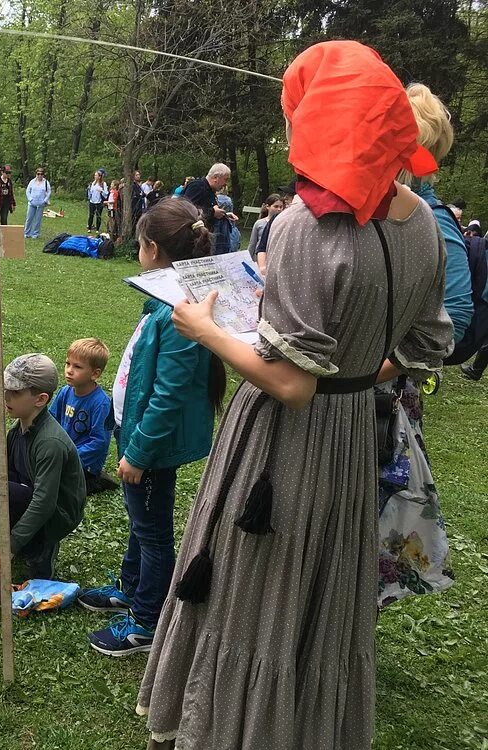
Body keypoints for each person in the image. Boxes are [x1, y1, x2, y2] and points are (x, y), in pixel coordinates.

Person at [136, 41, 453, 749]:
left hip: (285, 444)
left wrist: (204, 327)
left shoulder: (307, 225)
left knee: (257, 592)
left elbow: (290, 383)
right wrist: (339, 364)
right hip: (350, 437)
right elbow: (422, 349)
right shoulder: (422, 220)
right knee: (321, 596)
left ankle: (234, 731)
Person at [79, 200, 223, 658]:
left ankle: (145, 621)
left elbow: (169, 395)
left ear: (153, 249)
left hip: (150, 446)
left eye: (139, 245)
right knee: (142, 523)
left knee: (154, 531)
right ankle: (129, 587)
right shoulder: (166, 301)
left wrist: (138, 453)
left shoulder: (180, 313)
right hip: (136, 434)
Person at [375, 82, 473, 608]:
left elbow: (454, 317)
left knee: (375, 518)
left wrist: (381, 368)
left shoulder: (431, 221)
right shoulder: (379, 209)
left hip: (384, 398)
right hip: (356, 392)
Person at [0, 353, 87, 580]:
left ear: (40, 399)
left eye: (14, 392)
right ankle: (27, 538)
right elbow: (6, 474)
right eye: (6, 389)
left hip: (55, 514)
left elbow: (44, 503)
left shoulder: (50, 443)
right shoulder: (17, 429)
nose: (6, 396)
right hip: (30, 486)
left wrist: (7, 549)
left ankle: (40, 548)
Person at [48, 338, 116, 496]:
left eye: (77, 367)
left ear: (95, 374)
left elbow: (99, 442)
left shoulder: (101, 404)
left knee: (57, 487)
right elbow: (51, 419)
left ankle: (96, 480)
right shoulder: (65, 391)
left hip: (84, 463)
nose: (69, 370)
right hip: (63, 454)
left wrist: (69, 456)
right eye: (68, 364)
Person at [247, 193, 283, 261]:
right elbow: (252, 244)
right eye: (276, 206)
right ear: (268, 206)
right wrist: (249, 259)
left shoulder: (284, 224)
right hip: (260, 258)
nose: (279, 209)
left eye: (281, 207)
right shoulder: (259, 223)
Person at [24, 167, 51, 239]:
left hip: (40, 203)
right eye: (38, 174)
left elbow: (48, 192)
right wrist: (30, 199)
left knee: (38, 220)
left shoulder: (46, 182)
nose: (40, 175)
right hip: (32, 203)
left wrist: (45, 201)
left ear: (43, 175)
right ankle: (27, 233)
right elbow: (27, 191)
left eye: (41, 174)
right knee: (29, 218)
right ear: (36, 174)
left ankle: (35, 234)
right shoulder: (32, 181)